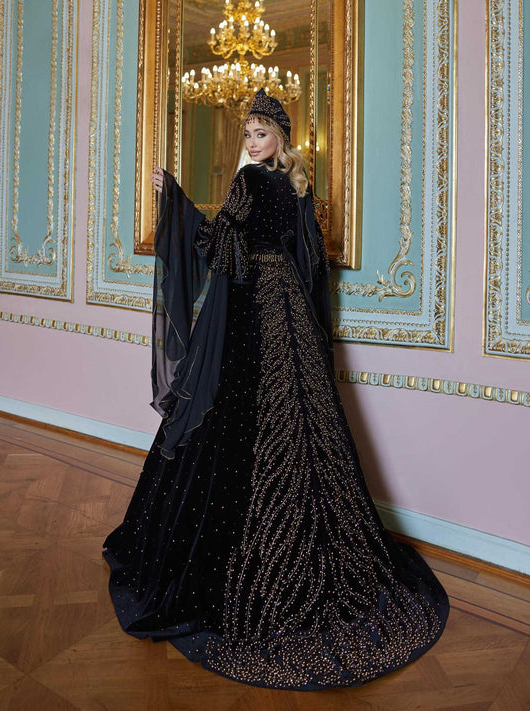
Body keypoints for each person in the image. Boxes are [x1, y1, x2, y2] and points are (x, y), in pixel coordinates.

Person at [102, 89, 449, 691]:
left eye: (260, 133)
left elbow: (214, 245)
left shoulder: (251, 182)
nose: (252, 142)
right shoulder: (298, 189)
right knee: (303, 426)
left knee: (235, 417)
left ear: (280, 138)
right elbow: (307, 261)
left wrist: (175, 200)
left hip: (252, 311)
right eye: (247, 133)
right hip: (291, 311)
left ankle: (256, 554)